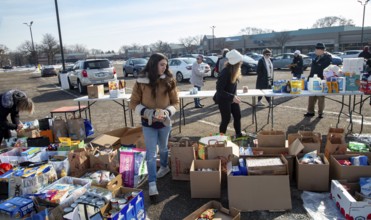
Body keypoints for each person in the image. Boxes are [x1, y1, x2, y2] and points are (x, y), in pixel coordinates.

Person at [129, 53, 179, 201]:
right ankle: (152, 185)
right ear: (153, 64)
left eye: (166, 65)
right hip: (148, 123)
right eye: (162, 64)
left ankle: (164, 167)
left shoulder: (169, 80)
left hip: (165, 122)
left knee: (163, 148)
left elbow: (176, 102)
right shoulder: (141, 81)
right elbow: (133, 102)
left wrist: (167, 111)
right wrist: (147, 112)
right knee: (150, 154)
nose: (165, 67)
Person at [214, 49, 243, 138]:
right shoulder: (225, 72)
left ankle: (238, 134)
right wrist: (232, 97)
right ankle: (221, 138)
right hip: (223, 99)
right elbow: (219, 90)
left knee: (237, 116)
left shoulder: (235, 71)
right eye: (240, 62)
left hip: (231, 97)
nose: (241, 63)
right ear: (235, 62)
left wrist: (235, 95)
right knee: (226, 119)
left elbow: (232, 86)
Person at [304, 43, 332, 118]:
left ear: (321, 50)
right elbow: (313, 69)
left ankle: (320, 112)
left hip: (321, 80)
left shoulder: (327, 58)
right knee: (311, 97)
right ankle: (310, 111)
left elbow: (323, 68)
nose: (315, 51)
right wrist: (309, 78)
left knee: (320, 97)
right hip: (313, 79)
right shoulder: (316, 57)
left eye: (316, 49)